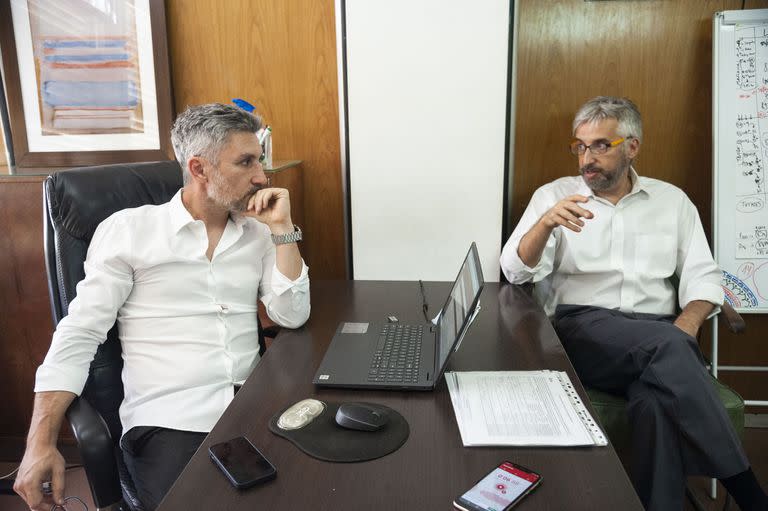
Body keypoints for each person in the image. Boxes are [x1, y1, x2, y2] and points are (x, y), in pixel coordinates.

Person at [14, 103, 311, 511]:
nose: (261, 176)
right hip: (171, 421)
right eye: (246, 162)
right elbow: (80, 332)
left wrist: (282, 230)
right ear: (199, 168)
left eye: (258, 160)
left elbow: (291, 314)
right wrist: (40, 441)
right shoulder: (130, 231)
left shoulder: (258, 232)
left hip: (255, 408)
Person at [500, 96, 767, 511]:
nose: (587, 158)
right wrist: (546, 223)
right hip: (583, 329)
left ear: (632, 147)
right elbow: (515, 273)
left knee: (656, 402)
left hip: (661, 337)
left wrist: (686, 327)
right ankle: (748, 490)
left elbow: (704, 276)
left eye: (601, 145)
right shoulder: (555, 196)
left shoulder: (672, 201)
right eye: (581, 146)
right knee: (668, 349)